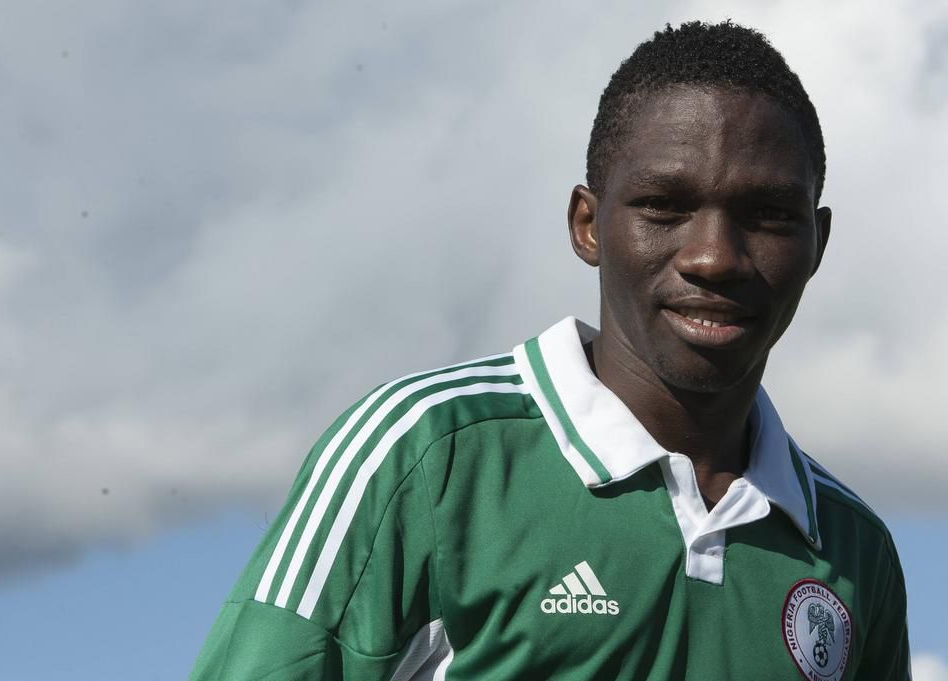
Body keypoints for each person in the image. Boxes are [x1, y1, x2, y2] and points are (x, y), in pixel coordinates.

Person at [190, 21, 910, 680]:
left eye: (769, 215)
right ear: (588, 226)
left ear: (818, 243)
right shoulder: (423, 457)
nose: (715, 257)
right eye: (664, 206)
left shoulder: (855, 551)